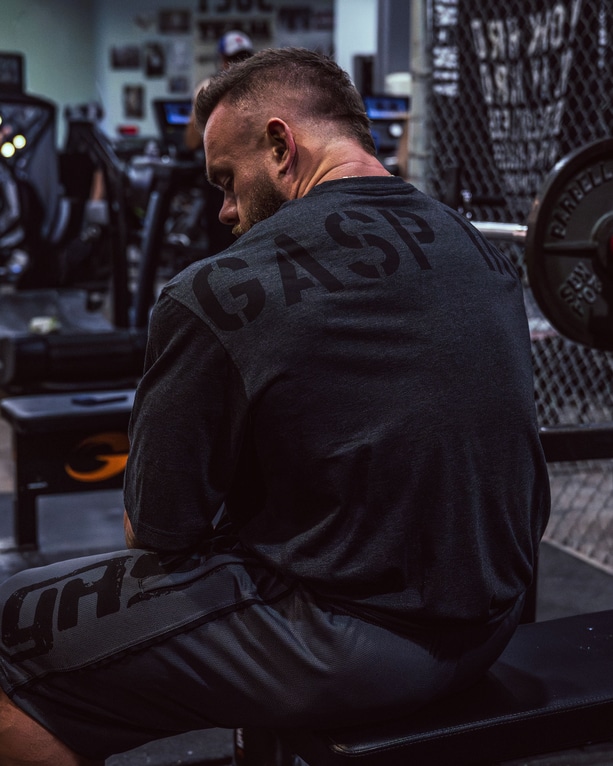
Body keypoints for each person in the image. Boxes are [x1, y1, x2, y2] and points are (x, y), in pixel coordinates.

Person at [0, 48, 550, 765]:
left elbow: (158, 534)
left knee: (10, 623)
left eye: (227, 181)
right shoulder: (476, 249)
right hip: (495, 619)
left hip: (355, 642)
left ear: (281, 146)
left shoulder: (215, 291)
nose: (226, 211)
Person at [184, 30, 253, 151]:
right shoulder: (207, 88)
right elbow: (192, 141)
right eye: (233, 58)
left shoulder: (260, 88)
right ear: (222, 60)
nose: (239, 64)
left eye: (244, 58)